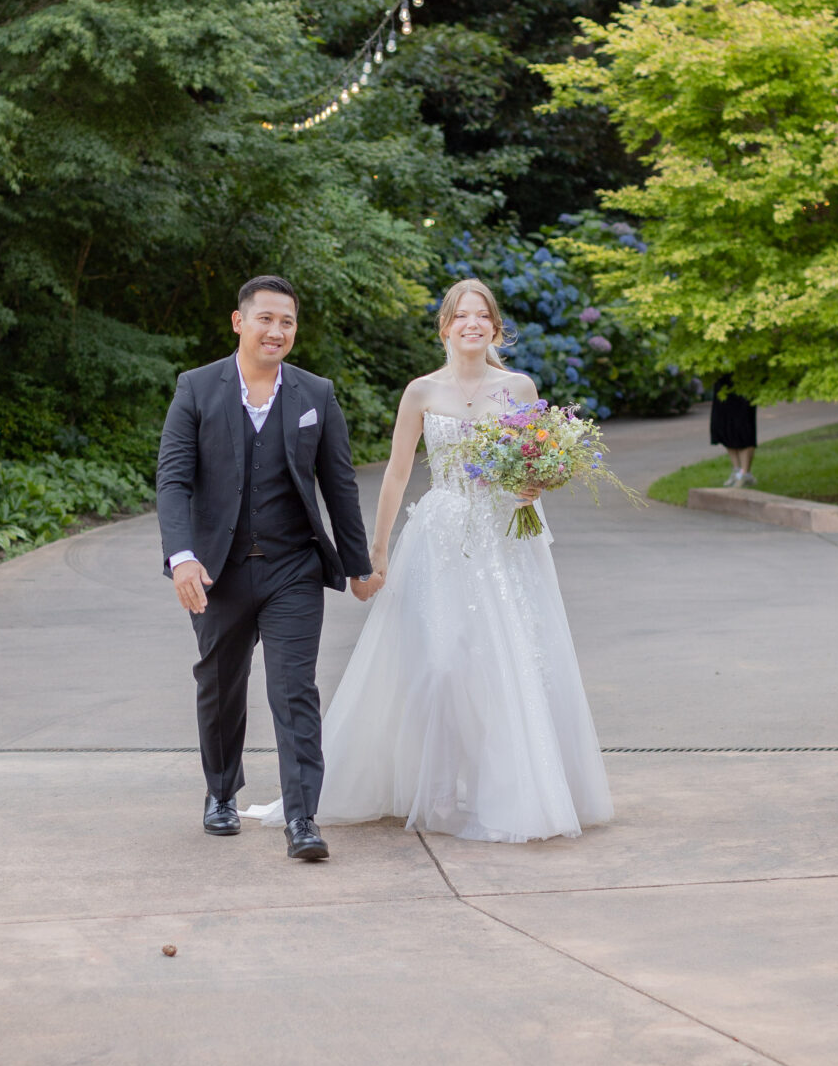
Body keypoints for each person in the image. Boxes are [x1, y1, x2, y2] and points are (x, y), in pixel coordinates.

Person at [305, 277, 612, 845]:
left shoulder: (519, 388)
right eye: (460, 316)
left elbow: (538, 463)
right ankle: (439, 790)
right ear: (445, 327)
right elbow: (397, 474)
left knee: (507, 664)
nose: (472, 324)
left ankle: (511, 791)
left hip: (504, 540)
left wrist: (535, 487)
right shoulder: (421, 392)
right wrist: (377, 552)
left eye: (482, 316)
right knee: (441, 665)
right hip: (441, 538)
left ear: (495, 328)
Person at [156, 276, 380, 862]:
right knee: (220, 685)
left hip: (293, 569)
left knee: (294, 691)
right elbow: (173, 480)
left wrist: (358, 565)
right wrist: (182, 557)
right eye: (266, 320)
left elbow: (338, 484)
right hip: (217, 573)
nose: (277, 331)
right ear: (239, 322)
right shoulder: (197, 388)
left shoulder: (316, 394)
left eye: (287, 322)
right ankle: (221, 793)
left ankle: (303, 817)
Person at [709, 377, 758, 486]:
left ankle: (745, 473)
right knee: (725, 426)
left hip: (744, 379)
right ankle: (737, 471)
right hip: (722, 381)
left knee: (743, 427)